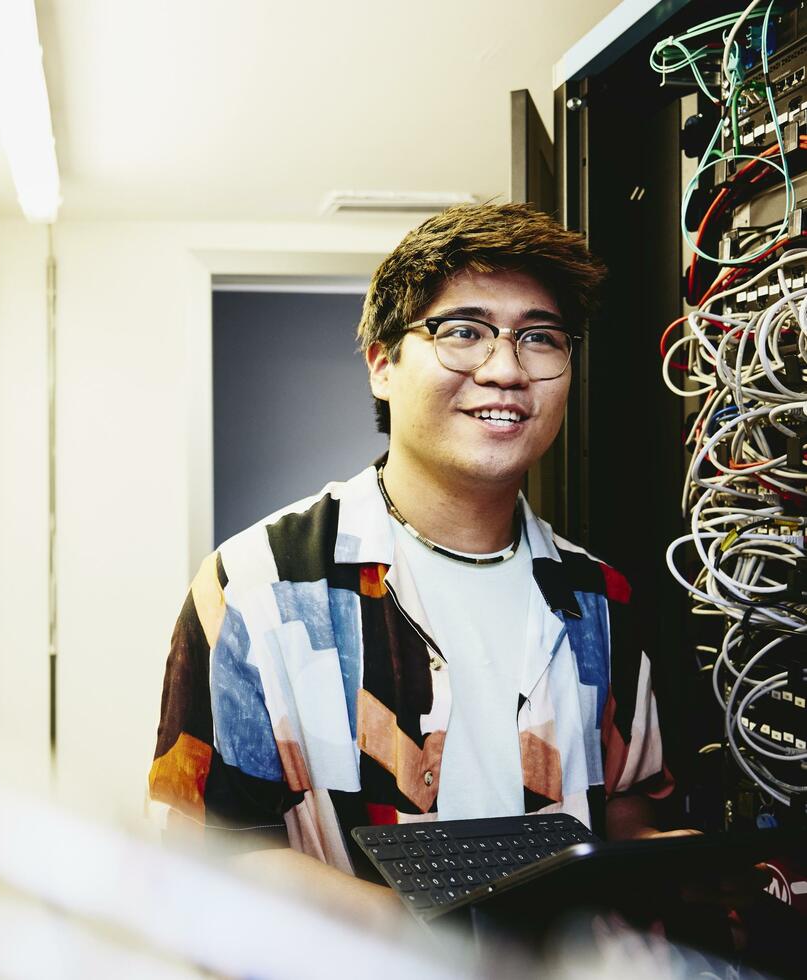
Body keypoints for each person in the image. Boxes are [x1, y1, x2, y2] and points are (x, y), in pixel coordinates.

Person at [148, 203, 676, 912]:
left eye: (540, 338)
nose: (505, 369)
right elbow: (204, 851)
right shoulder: (255, 586)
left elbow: (626, 813)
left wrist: (714, 878)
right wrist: (433, 940)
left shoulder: (599, 600)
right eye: (462, 332)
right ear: (381, 366)